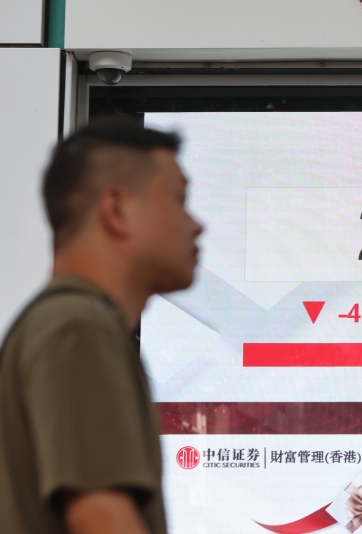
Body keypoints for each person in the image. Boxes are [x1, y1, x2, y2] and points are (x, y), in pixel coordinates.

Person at [0, 118, 203, 534]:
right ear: (117, 209)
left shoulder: (63, 322)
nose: (196, 224)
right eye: (179, 200)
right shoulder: (79, 328)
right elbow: (101, 517)